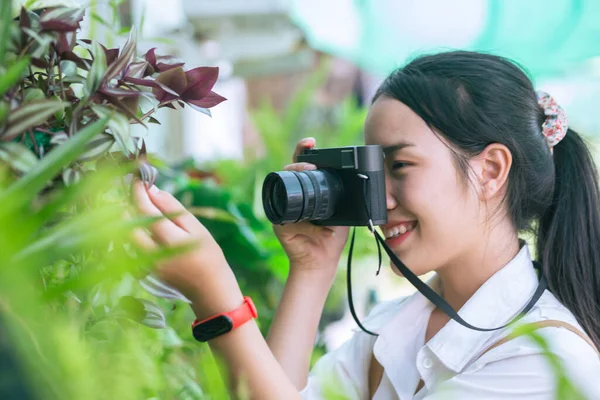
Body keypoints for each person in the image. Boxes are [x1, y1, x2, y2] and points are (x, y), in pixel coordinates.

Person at [132, 51, 600, 399]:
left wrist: (216, 294)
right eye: (372, 172)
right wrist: (312, 270)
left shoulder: (542, 361)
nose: (379, 200)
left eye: (399, 167)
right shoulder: (399, 326)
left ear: (492, 170)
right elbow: (275, 390)